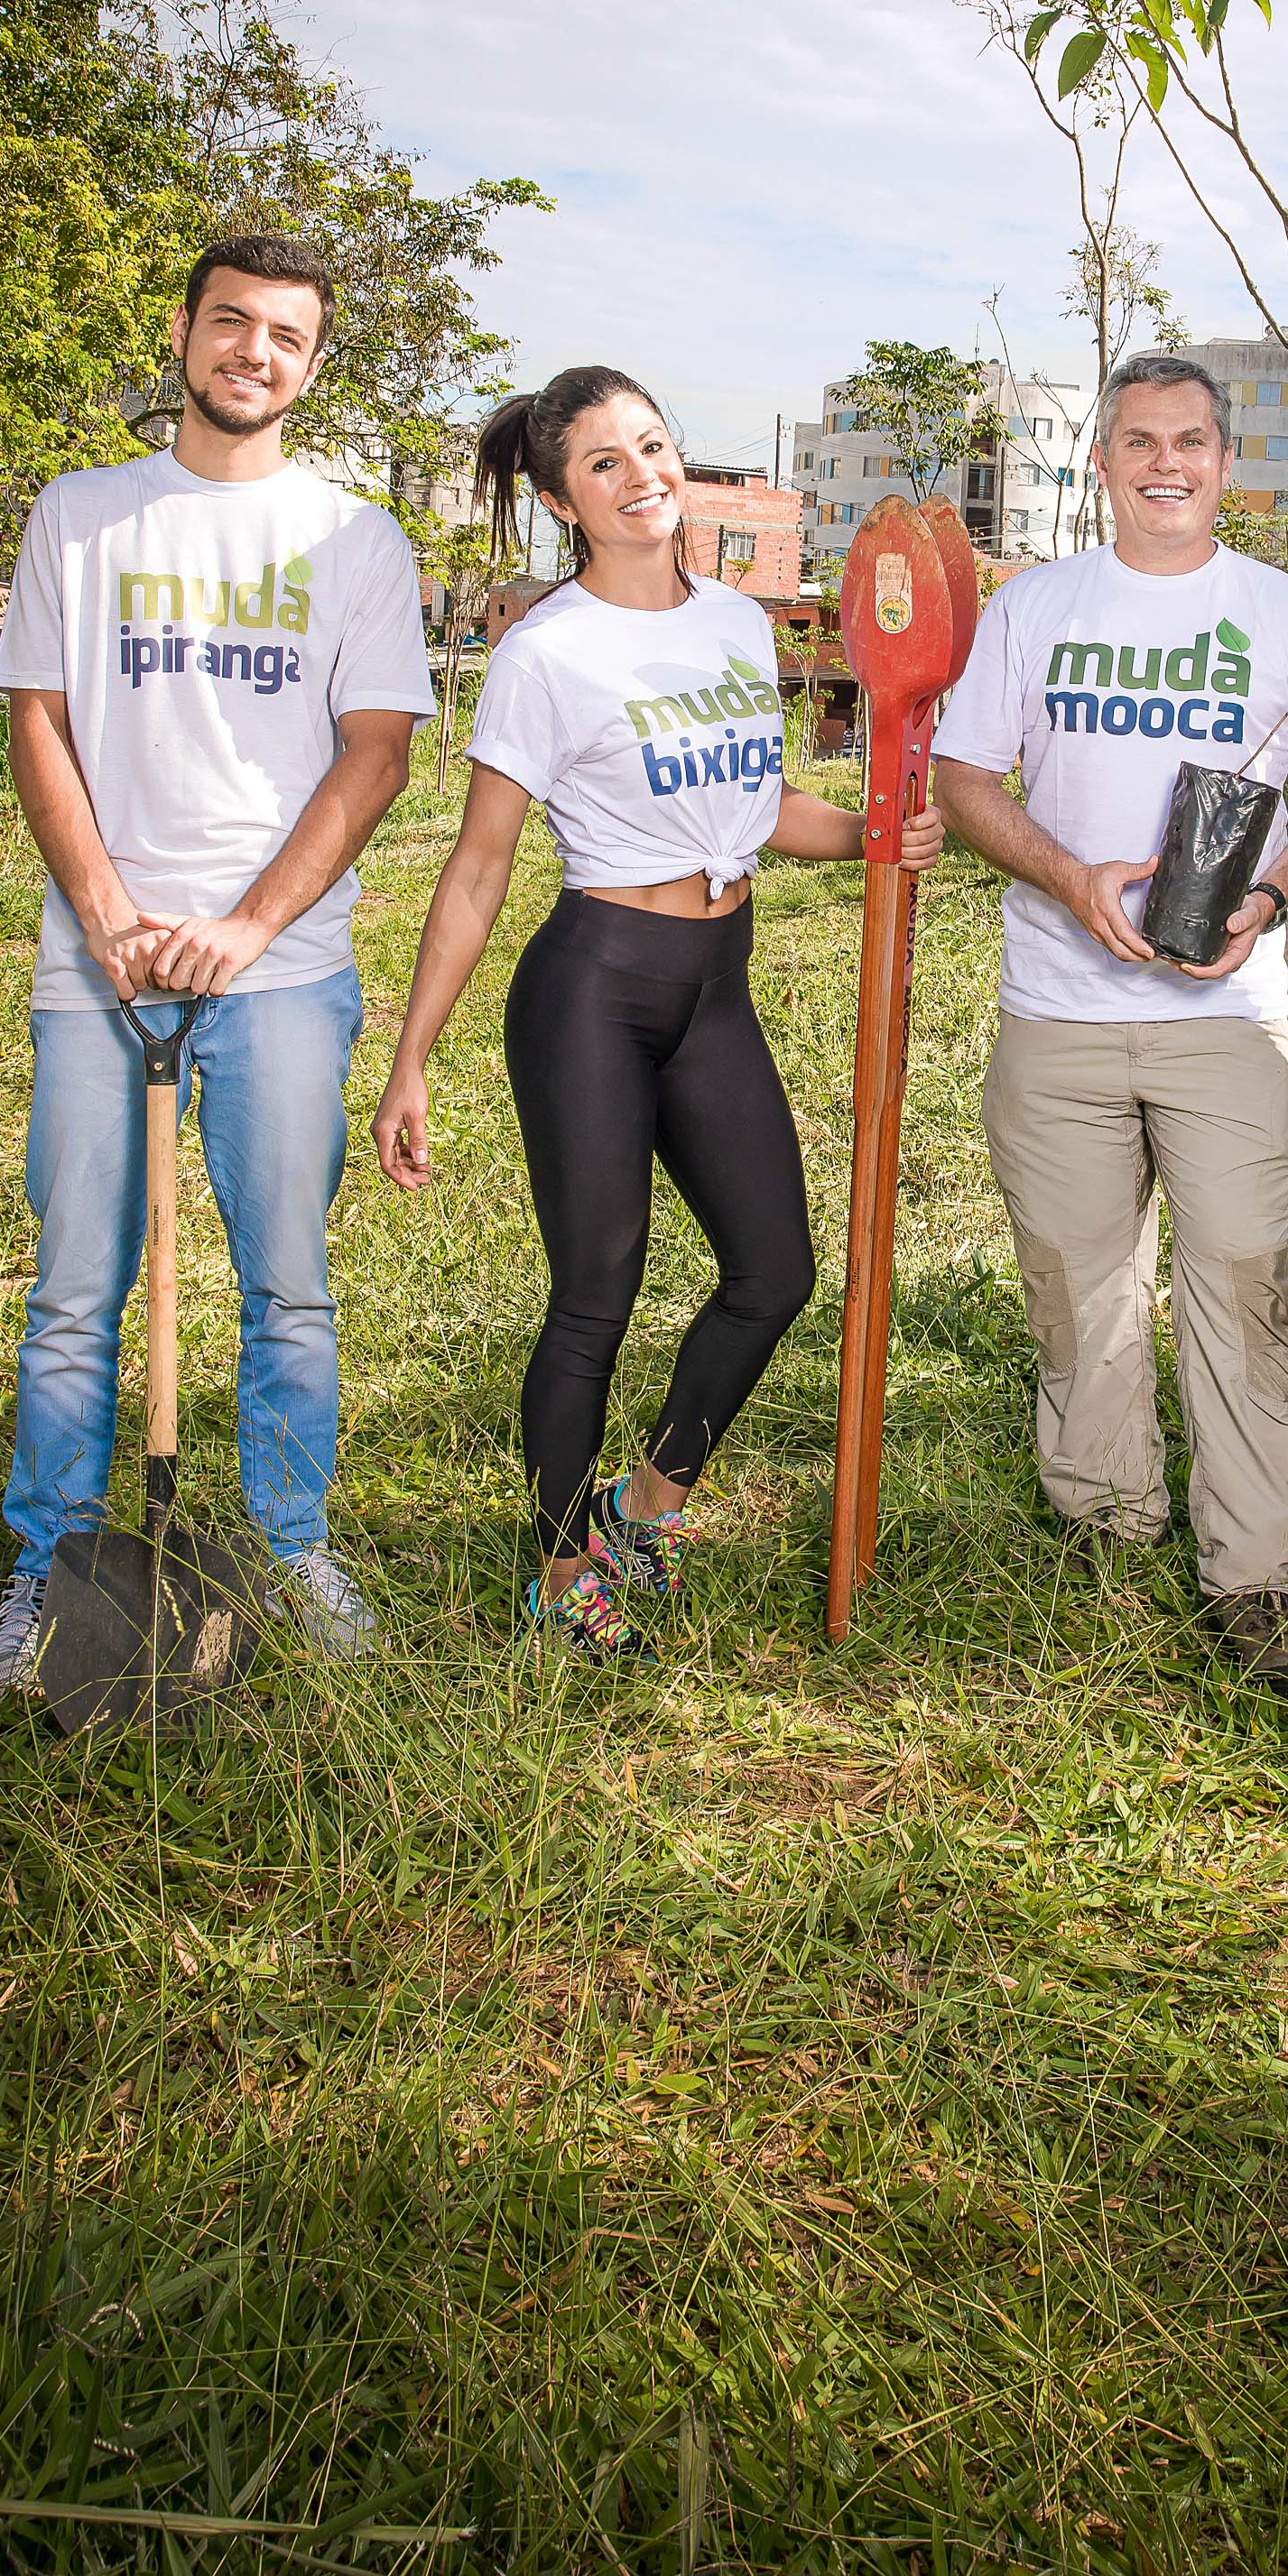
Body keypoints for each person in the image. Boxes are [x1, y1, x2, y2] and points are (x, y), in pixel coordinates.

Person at [370, 366, 945, 1660]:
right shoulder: (548, 652)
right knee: (597, 1297)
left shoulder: (737, 626)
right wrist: (411, 1061)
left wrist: (873, 834)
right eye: (604, 464)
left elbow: (760, 807)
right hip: (595, 987)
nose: (642, 478)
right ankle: (561, 1567)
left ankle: (645, 1504)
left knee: (775, 1273)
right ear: (561, 502)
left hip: (715, 985)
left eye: (652, 446)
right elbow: (479, 868)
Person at [0, 232, 436, 1696]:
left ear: (313, 366)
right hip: (97, 970)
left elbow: (377, 755)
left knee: (287, 1283)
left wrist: (246, 927)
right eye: (231, 322)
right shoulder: (83, 513)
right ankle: (51, 1569)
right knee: (73, 1293)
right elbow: (37, 719)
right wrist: (108, 913)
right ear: (182, 333)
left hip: (280, 972)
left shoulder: (357, 540)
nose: (253, 353)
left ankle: (291, 1546)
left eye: (285, 336)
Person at [931, 353, 1288, 1706]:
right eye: (1140, 441)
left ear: (1226, 466)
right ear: (1102, 462)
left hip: (1224, 1018)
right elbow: (964, 777)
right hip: (1058, 1012)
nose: (1166, 464)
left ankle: (1259, 1579)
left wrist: (1270, 895)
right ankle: (1105, 1527)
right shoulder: (1035, 608)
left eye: (1191, 441)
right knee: (1078, 1289)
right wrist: (1072, 878)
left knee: (1244, 1286)